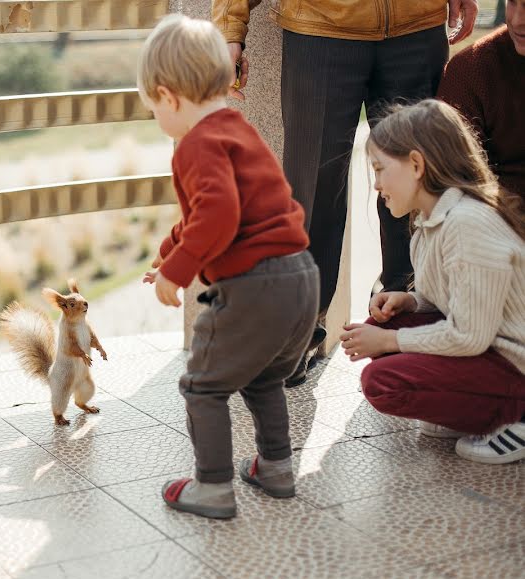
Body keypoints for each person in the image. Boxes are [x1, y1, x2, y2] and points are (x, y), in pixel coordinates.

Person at [214, 0, 479, 386]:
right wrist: (229, 31)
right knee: (313, 186)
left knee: (420, 182)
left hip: (417, 26)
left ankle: (405, 308)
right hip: (320, 29)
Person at [138, 15, 319, 519]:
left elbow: (218, 214)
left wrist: (178, 273)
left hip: (255, 285)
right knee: (261, 379)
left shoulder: (196, 144)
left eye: (153, 108)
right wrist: (169, 255)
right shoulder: (237, 129)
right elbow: (211, 212)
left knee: (203, 385)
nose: (157, 116)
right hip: (299, 276)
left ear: (168, 96)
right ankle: (276, 468)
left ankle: (213, 487)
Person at [340, 100, 525, 465]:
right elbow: (451, 303)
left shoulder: (468, 223)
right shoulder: (429, 224)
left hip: (513, 362)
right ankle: (471, 406)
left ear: (416, 164)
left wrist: (391, 340)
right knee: (382, 323)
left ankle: (514, 414)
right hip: (489, 349)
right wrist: (410, 303)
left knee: (382, 380)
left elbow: (469, 335)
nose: (375, 184)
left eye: (379, 169)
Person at [438, 0, 525, 201]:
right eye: (512, 3)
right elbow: (450, 179)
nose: (518, 20)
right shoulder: (470, 70)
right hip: (493, 218)